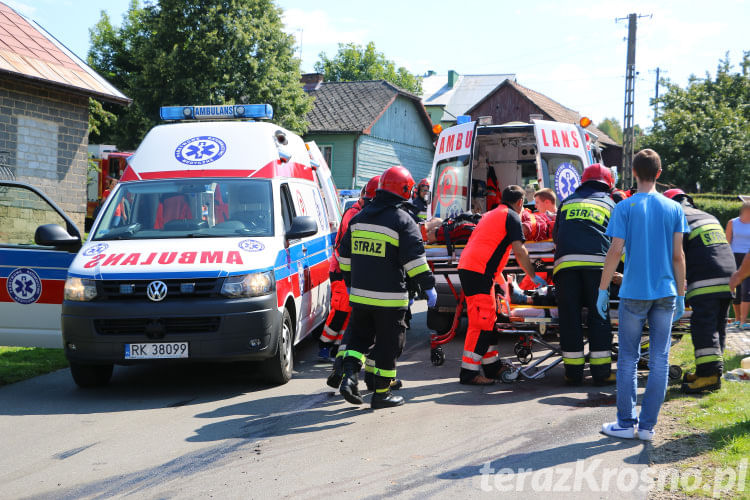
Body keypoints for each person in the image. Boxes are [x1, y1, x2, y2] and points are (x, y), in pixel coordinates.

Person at [597, 149, 688, 442]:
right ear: (659, 174)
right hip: (666, 292)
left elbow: (614, 251)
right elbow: (678, 256)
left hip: (633, 292)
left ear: (633, 173)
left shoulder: (624, 207)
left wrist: (602, 289)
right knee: (660, 358)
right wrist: (682, 292)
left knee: (627, 359)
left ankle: (625, 423)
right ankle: (647, 427)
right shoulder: (674, 208)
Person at [337, 166, 437, 409]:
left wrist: (351, 284)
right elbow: (414, 261)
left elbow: (343, 257)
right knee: (388, 345)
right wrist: (429, 287)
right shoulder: (403, 220)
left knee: (358, 340)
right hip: (390, 299)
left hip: (361, 296)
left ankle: (349, 377)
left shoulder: (359, 218)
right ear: (405, 190)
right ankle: (381, 394)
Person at [457, 185, 547, 385]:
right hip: (478, 271)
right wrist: (533, 274)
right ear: (520, 203)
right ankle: (469, 373)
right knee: (482, 323)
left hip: (474, 269)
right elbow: (519, 250)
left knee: (488, 320)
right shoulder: (512, 216)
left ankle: (492, 367)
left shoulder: (491, 214)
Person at [664, 189, 736, 393]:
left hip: (706, 278)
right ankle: (712, 371)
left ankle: (708, 376)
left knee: (703, 324)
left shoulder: (677, 217)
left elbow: (674, 256)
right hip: (728, 276)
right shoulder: (708, 216)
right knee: (717, 324)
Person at [553, 164, 617, 386]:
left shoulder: (567, 201)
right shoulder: (610, 203)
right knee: (599, 317)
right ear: (608, 184)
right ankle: (601, 373)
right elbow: (618, 242)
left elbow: (556, 236)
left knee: (570, 318)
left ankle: (573, 373)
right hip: (598, 269)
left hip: (565, 267)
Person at [318, 176, 379, 361]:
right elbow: (350, 246)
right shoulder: (354, 215)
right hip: (341, 270)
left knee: (349, 311)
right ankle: (324, 345)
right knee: (341, 309)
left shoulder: (360, 212)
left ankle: (337, 347)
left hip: (350, 270)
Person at [726, 201, 750, 328]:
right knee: (736, 289)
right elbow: (727, 241)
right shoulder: (732, 222)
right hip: (734, 257)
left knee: (747, 290)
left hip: (749, 259)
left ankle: (743, 321)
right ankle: (737, 318)